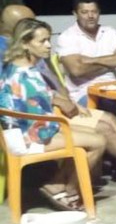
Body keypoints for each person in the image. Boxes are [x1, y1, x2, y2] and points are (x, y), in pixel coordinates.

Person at [1, 18, 107, 210]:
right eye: (42, 41)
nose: (49, 45)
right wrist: (63, 121)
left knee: (90, 135)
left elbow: (39, 97)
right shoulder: (24, 75)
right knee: (98, 142)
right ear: (25, 43)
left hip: (26, 130)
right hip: (28, 137)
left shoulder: (16, 66)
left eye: (48, 39)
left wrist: (65, 104)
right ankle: (70, 189)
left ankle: (56, 184)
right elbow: (39, 122)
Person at [56, 0, 116, 107]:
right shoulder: (67, 37)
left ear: (99, 13)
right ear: (75, 14)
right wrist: (111, 63)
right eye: (84, 12)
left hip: (113, 88)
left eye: (94, 11)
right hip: (84, 93)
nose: (90, 16)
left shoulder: (109, 32)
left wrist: (91, 60)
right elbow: (77, 70)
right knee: (109, 105)